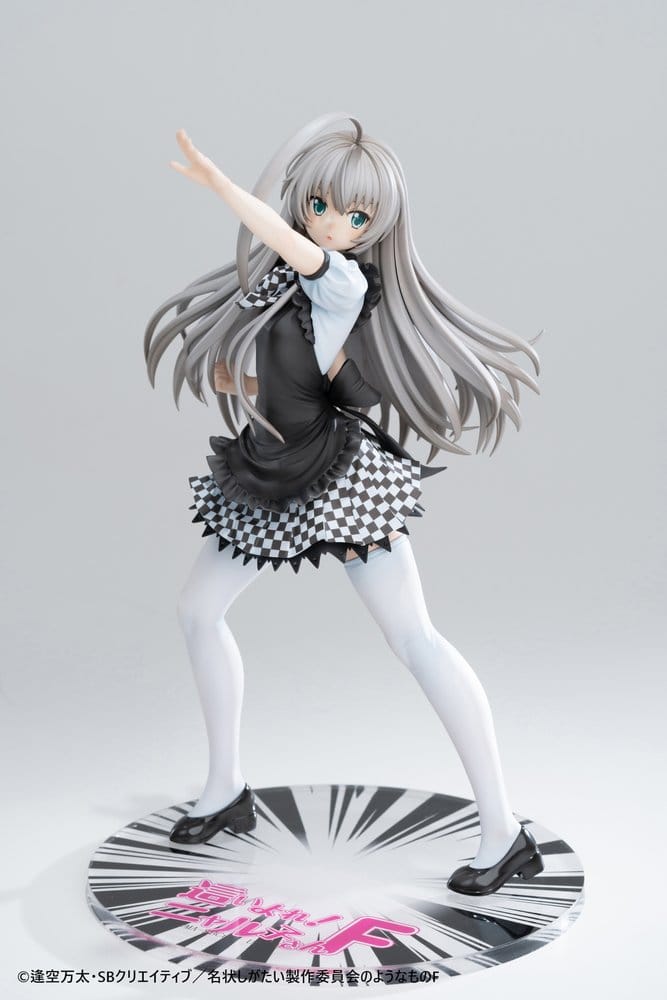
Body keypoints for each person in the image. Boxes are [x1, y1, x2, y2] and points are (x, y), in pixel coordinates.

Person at [143, 114, 544, 895]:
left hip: (336, 482)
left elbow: (287, 242)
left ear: (374, 227)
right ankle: (225, 789)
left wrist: (223, 186)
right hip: (271, 466)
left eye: (355, 216)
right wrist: (244, 384)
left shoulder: (339, 276)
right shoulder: (283, 281)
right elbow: (303, 369)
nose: (332, 225)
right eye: (321, 205)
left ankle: (503, 832)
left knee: (414, 639)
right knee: (197, 611)